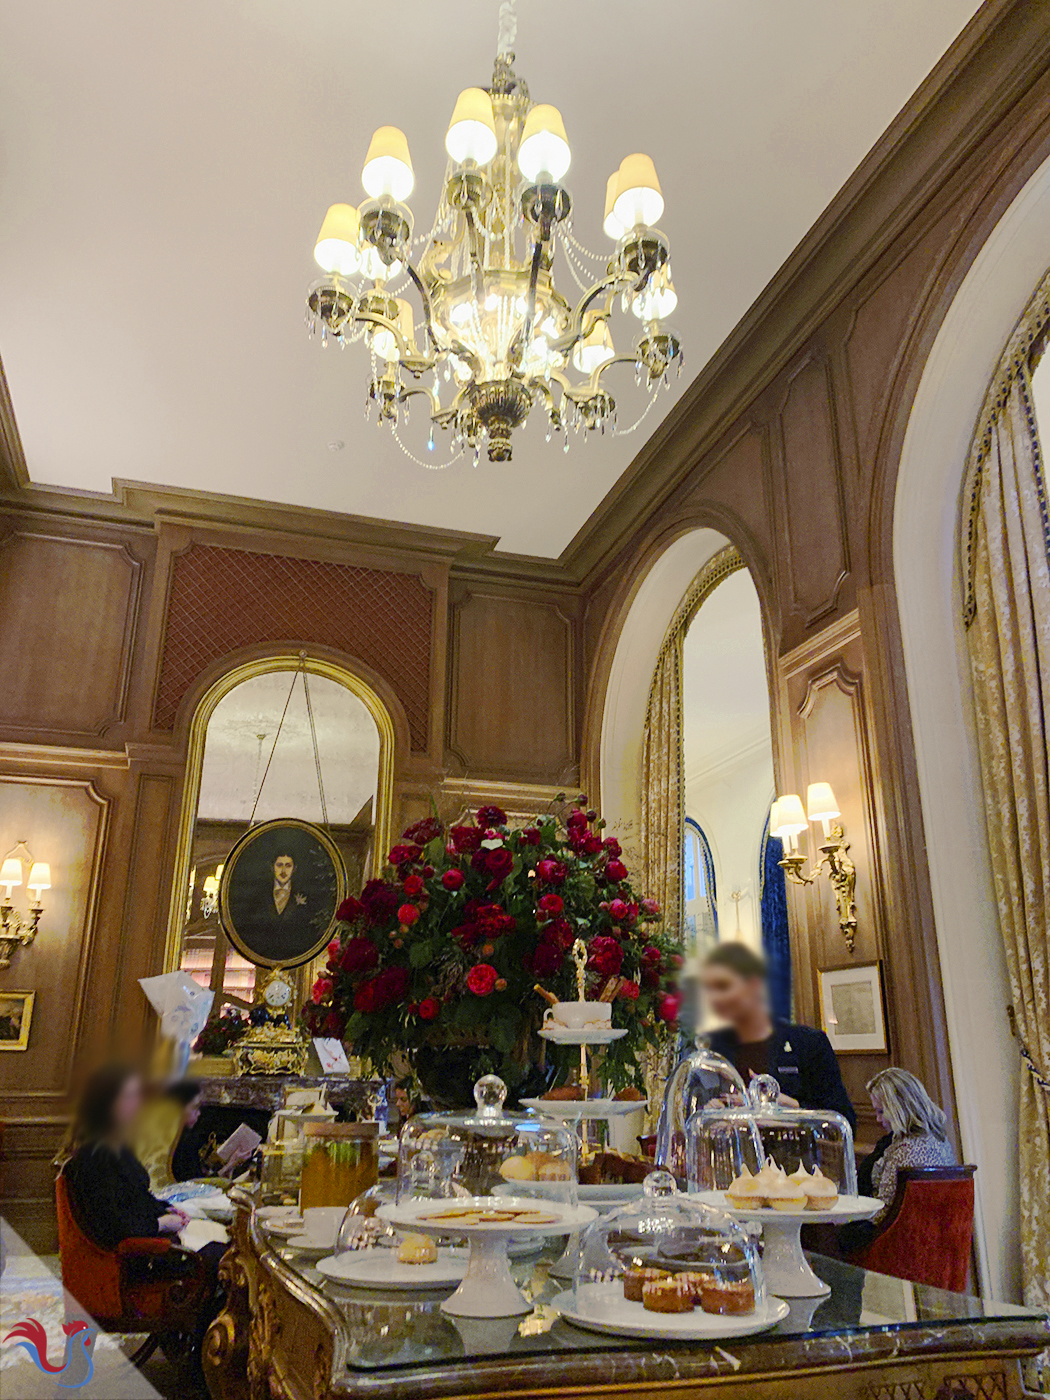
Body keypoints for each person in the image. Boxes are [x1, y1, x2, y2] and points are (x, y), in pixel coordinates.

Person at [701, 942, 856, 1130]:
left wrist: (790, 1108)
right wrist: (710, 1113)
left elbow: (845, 1123)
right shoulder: (715, 1050)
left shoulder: (808, 1043)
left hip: (794, 1157)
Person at [61, 1065, 191, 1247]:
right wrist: (161, 1224)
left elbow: (135, 1198)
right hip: (129, 1255)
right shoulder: (95, 1155)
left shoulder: (118, 1146)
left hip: (142, 1242)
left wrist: (166, 1209)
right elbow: (112, 1225)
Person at [865, 1067, 957, 1214]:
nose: (878, 1119)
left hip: (899, 1234)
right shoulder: (940, 1139)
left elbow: (885, 1212)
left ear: (899, 1109)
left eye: (881, 1111)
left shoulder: (904, 1151)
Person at [232, 851, 315, 962]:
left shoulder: (306, 896)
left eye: (288, 866)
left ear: (294, 869)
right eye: (279, 865)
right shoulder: (258, 895)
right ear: (272, 867)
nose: (284, 871)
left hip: (292, 955)